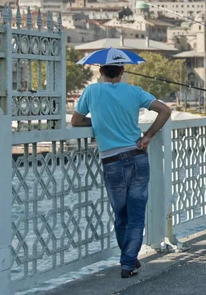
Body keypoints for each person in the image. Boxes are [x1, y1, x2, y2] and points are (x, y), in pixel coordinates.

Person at [71, 63, 171, 278]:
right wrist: (148, 136)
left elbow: (76, 121)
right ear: (123, 71)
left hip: (112, 161)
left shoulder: (92, 91)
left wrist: (99, 121)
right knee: (136, 214)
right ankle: (128, 262)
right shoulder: (135, 91)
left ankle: (128, 259)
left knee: (121, 215)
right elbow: (165, 110)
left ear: (101, 72)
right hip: (137, 157)